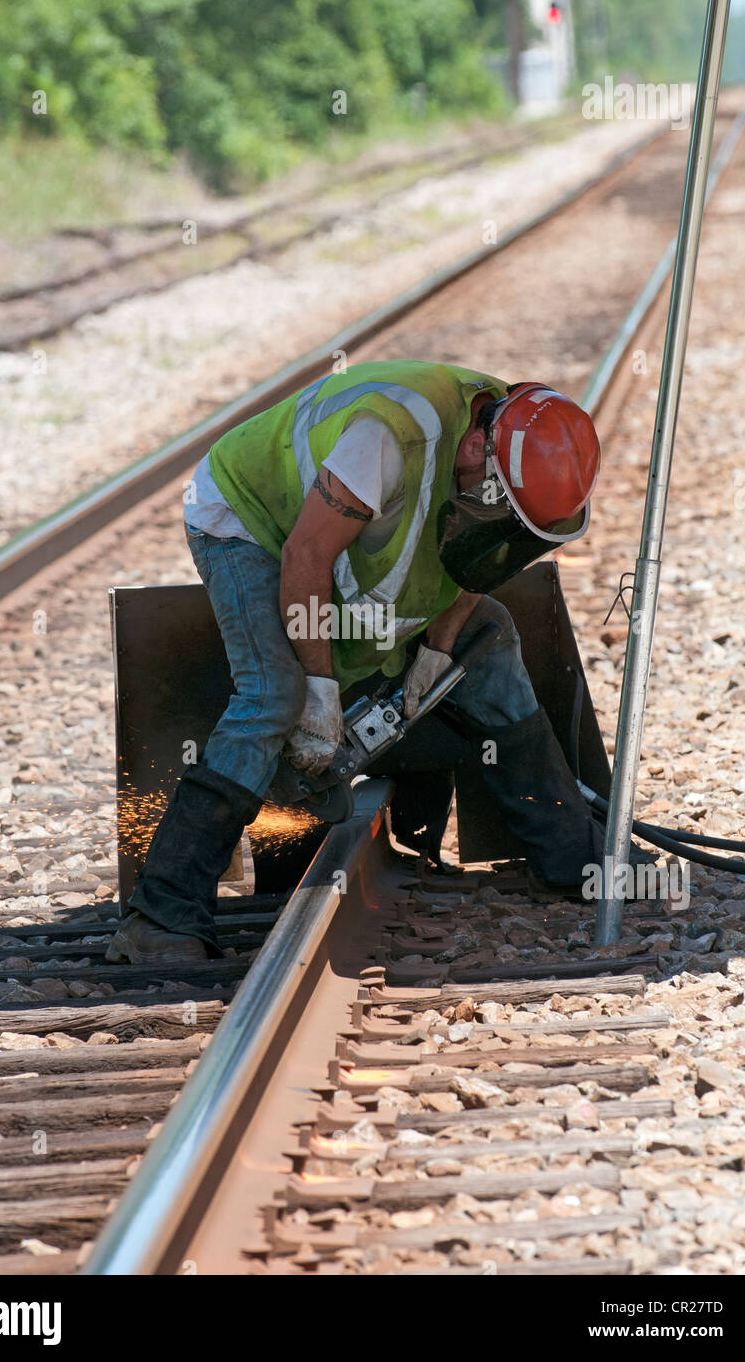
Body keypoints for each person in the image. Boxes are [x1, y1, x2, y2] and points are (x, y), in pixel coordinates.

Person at [106, 359, 604, 964]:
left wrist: (437, 657)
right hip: (253, 518)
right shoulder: (389, 436)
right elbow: (307, 554)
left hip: (336, 524)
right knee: (273, 694)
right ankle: (161, 913)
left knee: (489, 640)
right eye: (491, 499)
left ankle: (574, 859)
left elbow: (481, 563)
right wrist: (318, 689)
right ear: (476, 445)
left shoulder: (506, 436)